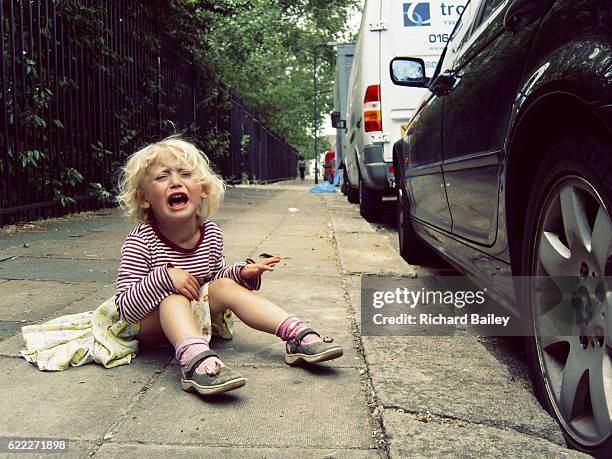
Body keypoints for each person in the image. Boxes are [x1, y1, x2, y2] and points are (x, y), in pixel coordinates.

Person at [113, 137, 342, 395]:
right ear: (144, 198)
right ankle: (194, 363)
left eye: (186, 174)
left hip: (193, 316)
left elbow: (214, 277)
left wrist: (241, 274)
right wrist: (164, 278)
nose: (175, 181)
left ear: (203, 190)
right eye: (162, 177)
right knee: (173, 298)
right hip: (149, 325)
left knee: (223, 285)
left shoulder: (210, 233)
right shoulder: (141, 240)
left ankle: (295, 335)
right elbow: (125, 309)